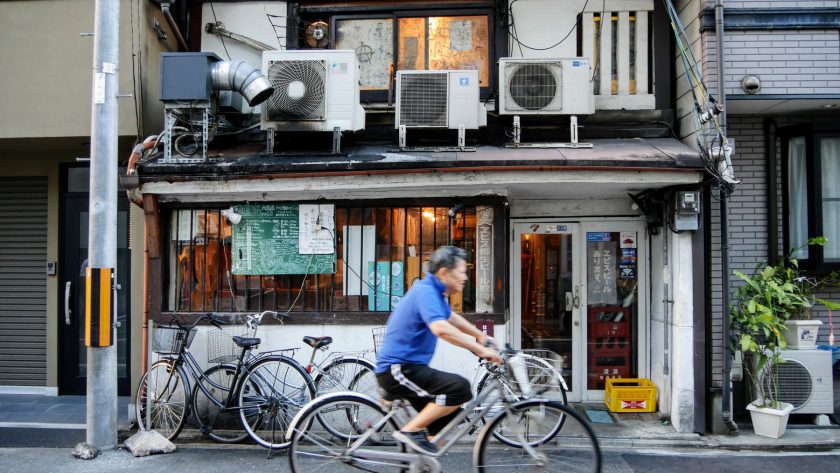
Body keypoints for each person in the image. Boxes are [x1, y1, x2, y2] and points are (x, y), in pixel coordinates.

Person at [375, 246, 501, 455]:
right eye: (461, 272)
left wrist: (479, 335)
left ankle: (423, 465)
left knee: (446, 418)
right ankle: (410, 431)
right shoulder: (426, 291)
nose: (465, 278)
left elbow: (450, 317)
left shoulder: (435, 293)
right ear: (444, 273)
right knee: (459, 388)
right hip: (398, 369)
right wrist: (480, 349)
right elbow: (441, 328)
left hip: (410, 368)